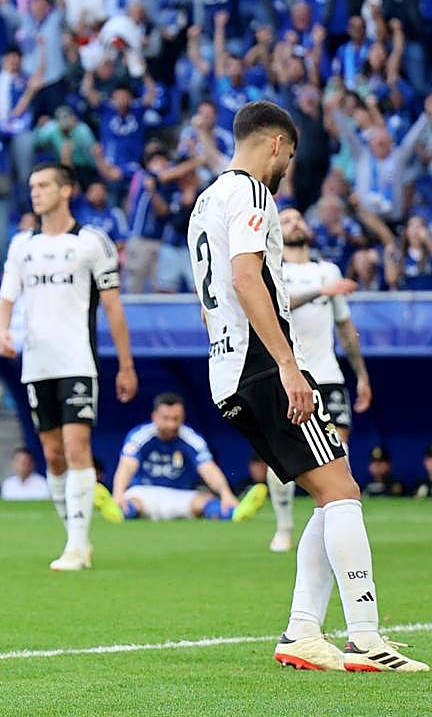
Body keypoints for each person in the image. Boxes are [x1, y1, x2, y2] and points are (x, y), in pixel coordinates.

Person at [187, 99, 425, 672]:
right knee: (342, 491)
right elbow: (247, 279)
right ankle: (365, 637)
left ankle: (302, 632)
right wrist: (288, 365)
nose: (286, 169)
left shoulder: (205, 201)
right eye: (289, 157)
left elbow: (209, 302)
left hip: (228, 369)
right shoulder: (251, 192)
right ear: (275, 144)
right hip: (262, 367)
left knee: (328, 490)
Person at [0, 163, 138, 571]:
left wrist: (126, 365)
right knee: (53, 455)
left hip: (77, 360)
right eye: (32, 186)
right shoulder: (22, 244)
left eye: (44, 185)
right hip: (36, 363)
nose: (35, 192)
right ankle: (75, 536)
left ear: (66, 190)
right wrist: (2, 331)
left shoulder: (91, 242)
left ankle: (76, 545)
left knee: (77, 449)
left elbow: (113, 307)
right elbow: (7, 297)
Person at [266, 208, 371, 553]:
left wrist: (362, 375)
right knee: (281, 455)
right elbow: (278, 307)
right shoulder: (272, 269)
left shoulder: (328, 270)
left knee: (339, 451)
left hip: (327, 374)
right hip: (289, 374)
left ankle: (336, 525)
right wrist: (321, 291)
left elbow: (345, 328)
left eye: (298, 219)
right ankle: (284, 527)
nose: (295, 223)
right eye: (286, 220)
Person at [93, 393, 267, 522]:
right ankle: (117, 511)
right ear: (155, 417)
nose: (171, 424)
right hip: (145, 493)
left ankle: (235, 513)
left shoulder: (191, 438)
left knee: (205, 501)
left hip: (180, 496)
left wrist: (226, 494)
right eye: (166, 418)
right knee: (132, 503)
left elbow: (208, 468)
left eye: (176, 419)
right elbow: (127, 466)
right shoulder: (141, 436)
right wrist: (118, 494)